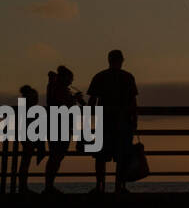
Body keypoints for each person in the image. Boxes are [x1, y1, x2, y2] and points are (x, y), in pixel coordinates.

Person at [87, 49, 138, 194]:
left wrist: (88, 119)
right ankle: (119, 186)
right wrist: (135, 121)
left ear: (109, 60)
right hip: (123, 121)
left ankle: (100, 186)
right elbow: (133, 102)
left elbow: (92, 100)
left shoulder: (100, 76)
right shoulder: (128, 77)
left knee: (101, 156)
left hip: (104, 121)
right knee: (122, 156)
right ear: (121, 60)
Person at [44, 66, 82, 193]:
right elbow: (62, 105)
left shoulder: (55, 87)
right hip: (59, 125)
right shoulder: (58, 89)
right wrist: (75, 99)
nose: (71, 81)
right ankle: (49, 186)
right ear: (64, 78)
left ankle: (49, 186)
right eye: (70, 78)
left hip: (59, 125)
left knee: (56, 156)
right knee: (56, 156)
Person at [16, 85, 44, 193]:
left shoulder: (27, 108)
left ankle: (23, 187)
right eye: (34, 97)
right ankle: (23, 187)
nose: (36, 99)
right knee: (25, 162)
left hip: (29, 137)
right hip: (27, 138)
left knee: (25, 162)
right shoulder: (26, 109)